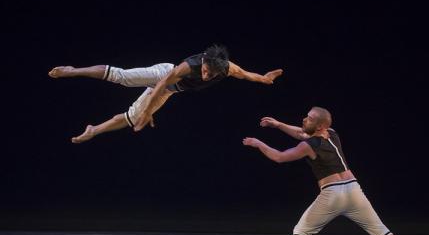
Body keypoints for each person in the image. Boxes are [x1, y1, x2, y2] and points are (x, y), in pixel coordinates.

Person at [242, 107, 424, 235]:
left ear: (321, 126)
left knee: (300, 231)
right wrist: (279, 124)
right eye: (307, 116)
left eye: (310, 118)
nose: (305, 120)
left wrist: (258, 144)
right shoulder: (332, 134)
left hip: (333, 194)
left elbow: (280, 157)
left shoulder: (308, 146)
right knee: (380, 230)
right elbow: (301, 132)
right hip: (354, 191)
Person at [49, 45, 283, 143]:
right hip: (164, 75)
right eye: (205, 72)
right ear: (202, 62)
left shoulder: (227, 68)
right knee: (122, 78)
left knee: (132, 118)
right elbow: (160, 85)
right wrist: (150, 110)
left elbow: (246, 75)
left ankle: (94, 130)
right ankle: (73, 70)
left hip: (171, 90)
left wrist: (264, 78)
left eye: (211, 76)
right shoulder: (187, 66)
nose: (206, 77)